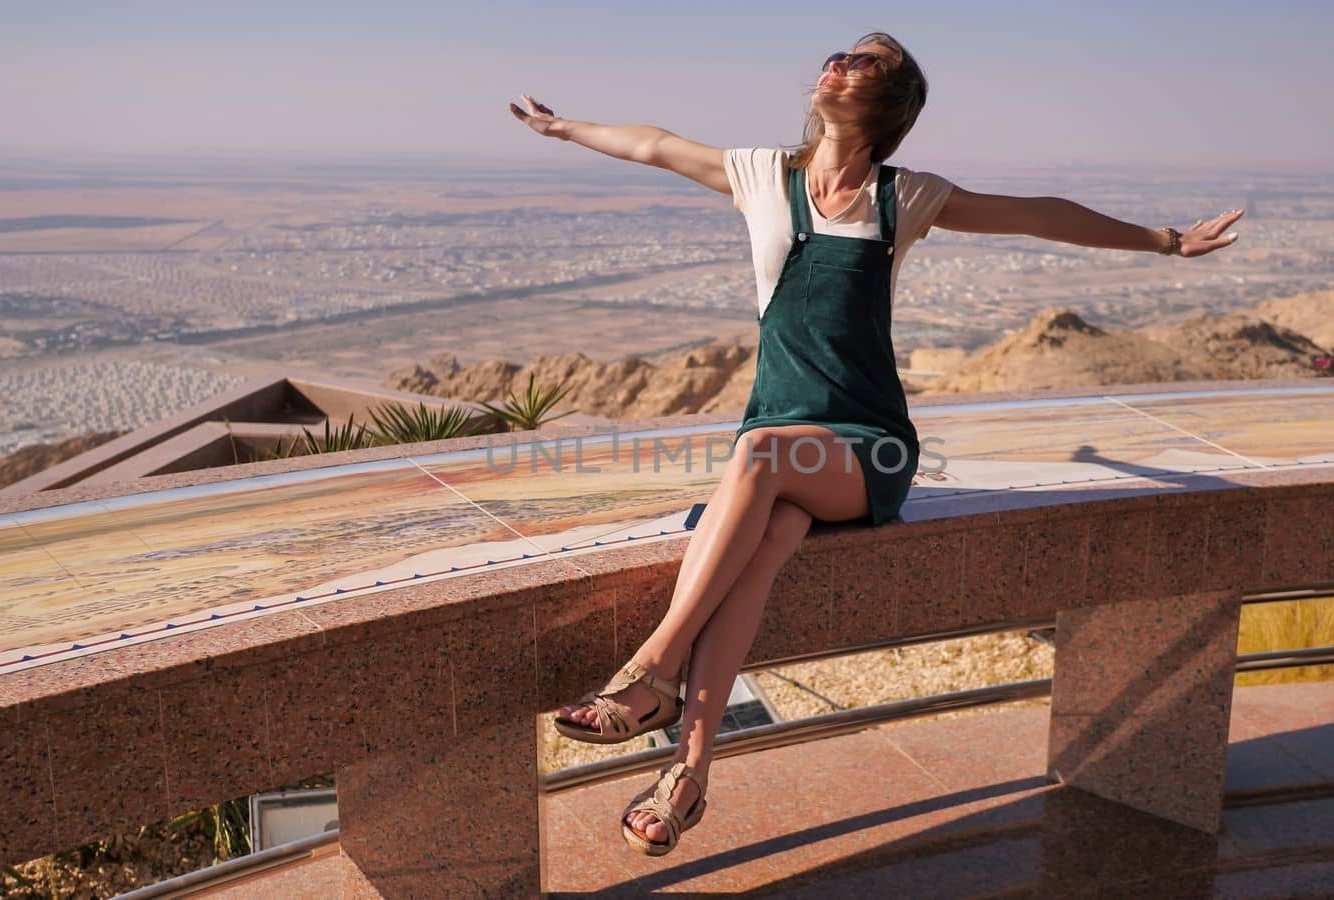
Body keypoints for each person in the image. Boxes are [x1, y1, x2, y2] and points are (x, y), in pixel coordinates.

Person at [509, 30, 1243, 857]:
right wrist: (566, 129)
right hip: (779, 441)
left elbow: (1040, 215)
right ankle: (690, 774)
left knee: (756, 463)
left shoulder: (910, 198)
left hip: (869, 447)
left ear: (892, 102)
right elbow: (653, 144)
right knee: (767, 537)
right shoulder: (764, 177)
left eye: (865, 61)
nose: (838, 64)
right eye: (837, 54)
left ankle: (650, 672)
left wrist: (1166, 240)